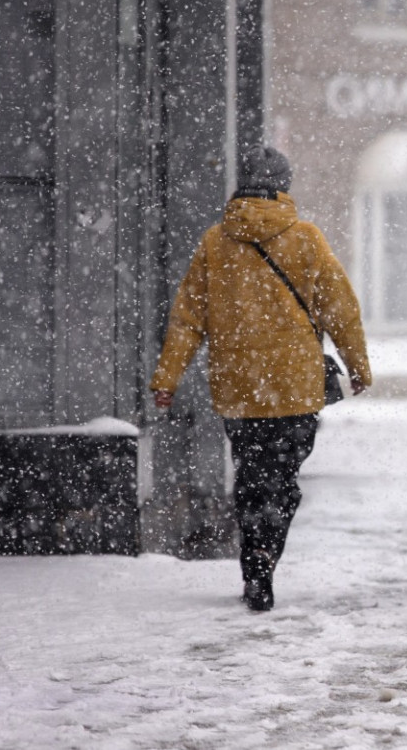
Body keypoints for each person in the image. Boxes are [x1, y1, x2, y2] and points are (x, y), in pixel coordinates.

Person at [150, 146, 372, 612]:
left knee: (252, 474)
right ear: (283, 186)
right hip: (295, 389)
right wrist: (357, 366)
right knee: (283, 479)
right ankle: (267, 555)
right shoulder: (306, 239)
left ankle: (254, 563)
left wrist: (168, 376)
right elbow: (341, 309)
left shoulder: (216, 242)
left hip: (239, 388)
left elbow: (188, 318)